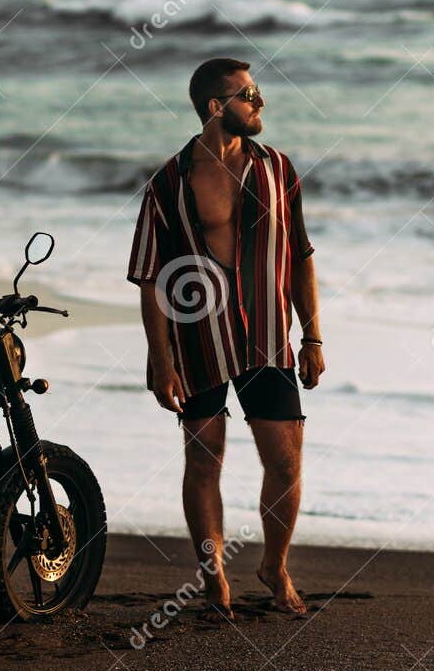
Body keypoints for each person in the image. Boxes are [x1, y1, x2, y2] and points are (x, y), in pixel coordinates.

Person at [127, 57, 325, 618]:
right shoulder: (168, 184)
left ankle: (274, 566)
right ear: (216, 107)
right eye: (248, 94)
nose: (260, 102)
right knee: (204, 459)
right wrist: (158, 360)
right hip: (198, 341)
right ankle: (213, 576)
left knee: (285, 461)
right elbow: (149, 277)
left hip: (266, 335)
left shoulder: (279, 169)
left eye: (258, 92)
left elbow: (302, 256)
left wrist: (312, 336)